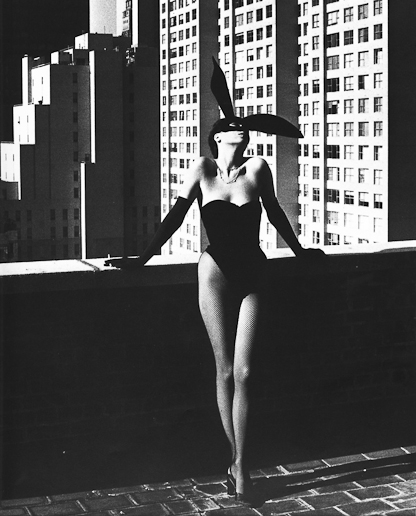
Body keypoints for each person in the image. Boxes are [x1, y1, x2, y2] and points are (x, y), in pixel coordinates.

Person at [106, 60, 324, 506]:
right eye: (230, 125)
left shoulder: (258, 168)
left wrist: (301, 251)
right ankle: (239, 465)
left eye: (243, 126)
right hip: (215, 274)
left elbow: (276, 214)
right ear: (217, 137)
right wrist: (142, 258)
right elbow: (173, 218)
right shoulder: (202, 169)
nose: (238, 127)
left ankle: (239, 462)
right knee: (224, 369)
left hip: (254, 272)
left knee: (246, 372)